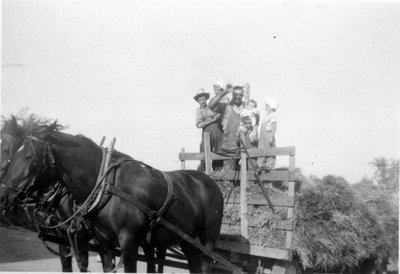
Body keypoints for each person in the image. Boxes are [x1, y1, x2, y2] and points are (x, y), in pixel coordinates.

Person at [208, 85, 246, 169]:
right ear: (232, 94)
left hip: (244, 145)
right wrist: (224, 92)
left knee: (246, 173)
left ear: (243, 95)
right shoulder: (226, 106)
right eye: (236, 94)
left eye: (240, 95)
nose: (238, 96)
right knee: (230, 172)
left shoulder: (246, 107)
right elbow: (210, 106)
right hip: (230, 145)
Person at [194, 89, 223, 171]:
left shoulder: (212, 107)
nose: (202, 101)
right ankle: (202, 173)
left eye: (203, 99)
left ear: (206, 99)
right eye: (200, 100)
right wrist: (212, 120)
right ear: (198, 101)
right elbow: (199, 125)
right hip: (207, 134)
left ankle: (218, 176)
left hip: (217, 133)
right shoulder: (199, 111)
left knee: (219, 154)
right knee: (204, 156)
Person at [257, 97, 279, 173]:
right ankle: (260, 165)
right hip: (263, 136)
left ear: (270, 107)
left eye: (266, 106)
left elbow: (274, 125)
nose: (265, 107)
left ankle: (269, 167)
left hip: (268, 134)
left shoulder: (273, 115)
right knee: (261, 149)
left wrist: (271, 136)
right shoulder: (267, 116)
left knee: (270, 150)